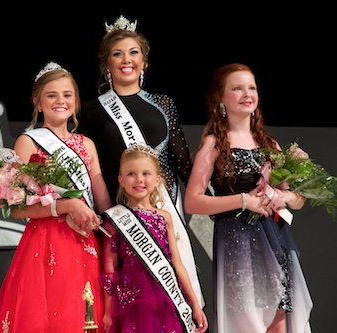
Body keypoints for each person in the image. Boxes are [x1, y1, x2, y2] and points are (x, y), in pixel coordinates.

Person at [78, 14, 205, 309]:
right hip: (121, 215)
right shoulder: (91, 111)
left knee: (175, 292)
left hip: (164, 208)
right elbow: (89, 171)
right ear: (106, 63)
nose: (127, 59)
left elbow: (182, 161)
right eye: (117, 53)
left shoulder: (163, 104)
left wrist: (215, 190)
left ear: (144, 61)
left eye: (134, 52)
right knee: (129, 300)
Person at [184, 63, 313, 333]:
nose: (247, 94)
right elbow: (193, 201)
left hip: (275, 241)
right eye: (237, 88)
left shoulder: (270, 144)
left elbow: (297, 201)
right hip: (237, 244)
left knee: (280, 323)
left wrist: (286, 191)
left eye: (251, 87)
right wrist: (244, 200)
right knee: (248, 324)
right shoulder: (214, 144)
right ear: (221, 98)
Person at [0, 61, 112, 333]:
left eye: (67, 95)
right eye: (52, 95)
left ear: (76, 101)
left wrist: (115, 221)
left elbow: (99, 191)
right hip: (46, 242)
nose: (61, 101)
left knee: (85, 314)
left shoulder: (86, 144)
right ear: (38, 102)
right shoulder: (28, 141)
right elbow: (16, 208)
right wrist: (64, 206)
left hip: (85, 238)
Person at [101, 143, 208, 333]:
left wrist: (195, 305)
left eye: (146, 173)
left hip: (165, 295)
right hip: (132, 298)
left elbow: (177, 264)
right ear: (121, 180)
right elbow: (109, 267)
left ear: (157, 179)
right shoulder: (115, 218)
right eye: (131, 174)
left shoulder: (164, 217)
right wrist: (108, 310)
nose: (139, 179)